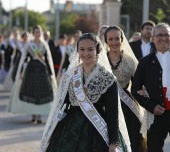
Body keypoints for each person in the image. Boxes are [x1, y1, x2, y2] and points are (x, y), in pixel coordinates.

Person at [40, 33, 131, 152]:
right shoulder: (70, 75)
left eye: (90, 49)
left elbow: (112, 112)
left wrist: (113, 142)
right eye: (82, 49)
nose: (86, 53)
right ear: (77, 51)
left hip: (97, 129)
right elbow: (62, 106)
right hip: (70, 128)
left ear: (97, 51)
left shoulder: (108, 78)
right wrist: (53, 131)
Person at [104, 26, 146, 152]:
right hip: (105, 105)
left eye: (117, 38)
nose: (114, 42)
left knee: (130, 140)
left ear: (122, 40)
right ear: (106, 41)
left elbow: (138, 85)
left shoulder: (130, 61)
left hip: (126, 107)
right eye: (110, 39)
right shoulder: (101, 60)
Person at [131, 23, 170, 152]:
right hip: (156, 115)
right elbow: (135, 88)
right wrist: (151, 106)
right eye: (159, 35)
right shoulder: (145, 62)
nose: (163, 38)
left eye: (166, 35)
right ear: (153, 38)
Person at [7, 25, 57, 124]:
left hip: (42, 71)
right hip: (31, 70)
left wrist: (51, 74)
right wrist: (21, 72)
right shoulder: (29, 45)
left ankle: (39, 115)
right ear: (33, 34)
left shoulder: (44, 45)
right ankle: (33, 114)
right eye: (36, 32)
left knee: (41, 92)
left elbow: (47, 60)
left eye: (39, 32)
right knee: (32, 92)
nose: (37, 34)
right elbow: (24, 59)